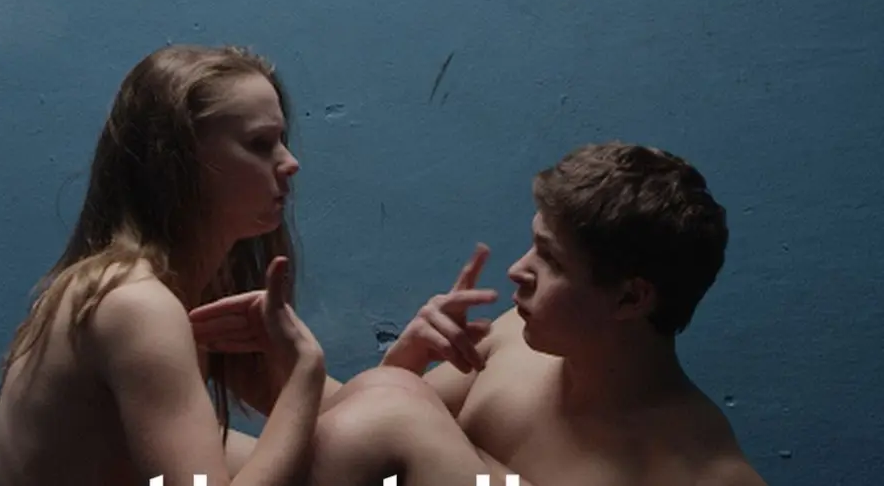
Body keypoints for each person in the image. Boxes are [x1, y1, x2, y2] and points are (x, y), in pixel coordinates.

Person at [194, 141, 769, 486]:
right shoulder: (517, 341)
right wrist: (401, 360)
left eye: (550, 259)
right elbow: (356, 448)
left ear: (630, 299)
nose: (518, 270)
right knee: (192, 445)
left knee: (398, 410)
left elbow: (390, 426)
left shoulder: (704, 474)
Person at [0, 44, 328, 486]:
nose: (290, 162)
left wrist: (403, 358)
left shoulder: (164, 292)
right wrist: (304, 377)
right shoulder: (137, 306)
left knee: (382, 417)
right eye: (260, 144)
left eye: (282, 141)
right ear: (179, 162)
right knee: (378, 431)